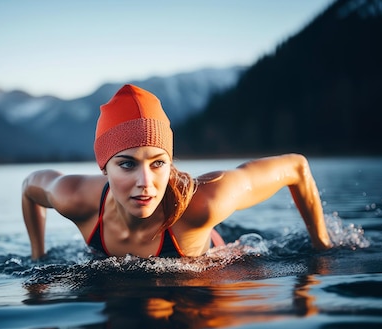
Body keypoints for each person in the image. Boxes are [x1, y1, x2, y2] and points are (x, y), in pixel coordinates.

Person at [21, 84, 332, 259]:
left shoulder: (204, 202)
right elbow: (28, 188)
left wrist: (322, 247)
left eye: (158, 163)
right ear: (104, 167)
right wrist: (38, 256)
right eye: (127, 164)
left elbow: (297, 167)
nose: (146, 183)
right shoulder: (75, 198)